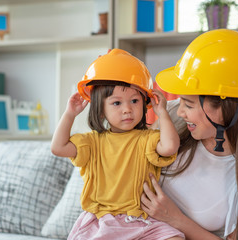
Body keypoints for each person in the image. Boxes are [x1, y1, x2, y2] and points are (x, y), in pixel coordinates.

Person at [141, 29, 238, 240]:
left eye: (188, 104)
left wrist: (175, 218)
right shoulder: (173, 116)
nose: (180, 110)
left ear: (223, 107)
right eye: (180, 101)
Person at [51, 49, 185, 240]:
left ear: (144, 103)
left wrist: (162, 112)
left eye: (134, 101)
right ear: (100, 110)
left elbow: (170, 146)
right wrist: (69, 114)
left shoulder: (146, 139)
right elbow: (58, 147)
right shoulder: (92, 142)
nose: (127, 109)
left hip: (143, 220)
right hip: (102, 221)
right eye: (116, 103)